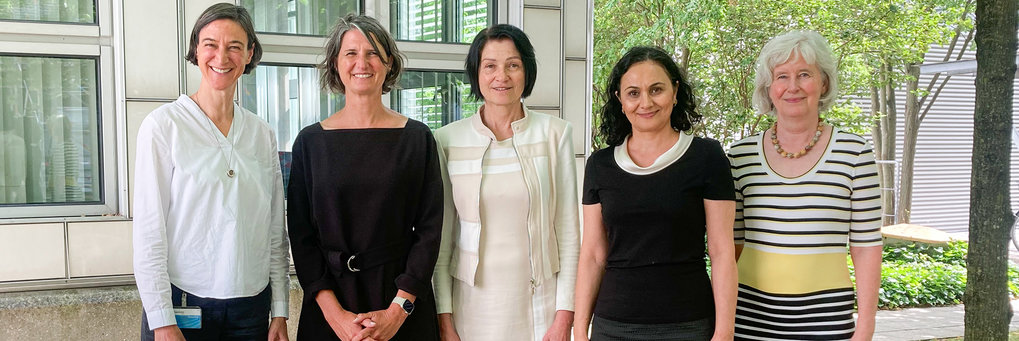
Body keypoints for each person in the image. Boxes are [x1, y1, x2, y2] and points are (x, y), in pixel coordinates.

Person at [133, 3, 291, 340]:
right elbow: (149, 233)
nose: (222, 56)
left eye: (235, 46)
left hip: (251, 309)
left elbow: (275, 229)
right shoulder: (164, 126)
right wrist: (162, 320)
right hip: (183, 304)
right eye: (211, 44)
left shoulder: (261, 133)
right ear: (195, 50)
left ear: (249, 54)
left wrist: (280, 309)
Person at [286, 14, 442, 341]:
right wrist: (336, 317)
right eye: (351, 53)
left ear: (388, 64)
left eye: (373, 53)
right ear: (335, 64)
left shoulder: (417, 138)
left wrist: (398, 311)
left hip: (400, 304)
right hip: (330, 307)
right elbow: (301, 236)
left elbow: (429, 231)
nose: (363, 62)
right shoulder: (309, 142)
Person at [573, 46, 738, 341]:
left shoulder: (707, 157)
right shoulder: (599, 165)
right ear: (620, 101)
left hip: (689, 325)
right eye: (633, 93)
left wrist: (724, 332)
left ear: (675, 92)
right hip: (612, 327)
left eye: (656, 89)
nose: (645, 102)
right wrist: (580, 329)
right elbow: (593, 255)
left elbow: (721, 251)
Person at [727, 30, 882, 340]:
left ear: (823, 82)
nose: (793, 86)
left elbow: (866, 248)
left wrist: (865, 328)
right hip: (748, 321)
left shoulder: (855, 153)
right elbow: (730, 248)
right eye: (782, 76)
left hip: (827, 321)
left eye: (804, 74)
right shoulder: (740, 156)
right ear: (769, 88)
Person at [431, 24, 580, 341]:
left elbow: (568, 233)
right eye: (490, 66)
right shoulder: (446, 140)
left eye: (513, 65)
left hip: (540, 306)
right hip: (470, 308)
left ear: (527, 71)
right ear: (477, 73)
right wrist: (445, 320)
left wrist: (564, 318)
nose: (502, 76)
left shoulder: (555, 135)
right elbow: (442, 242)